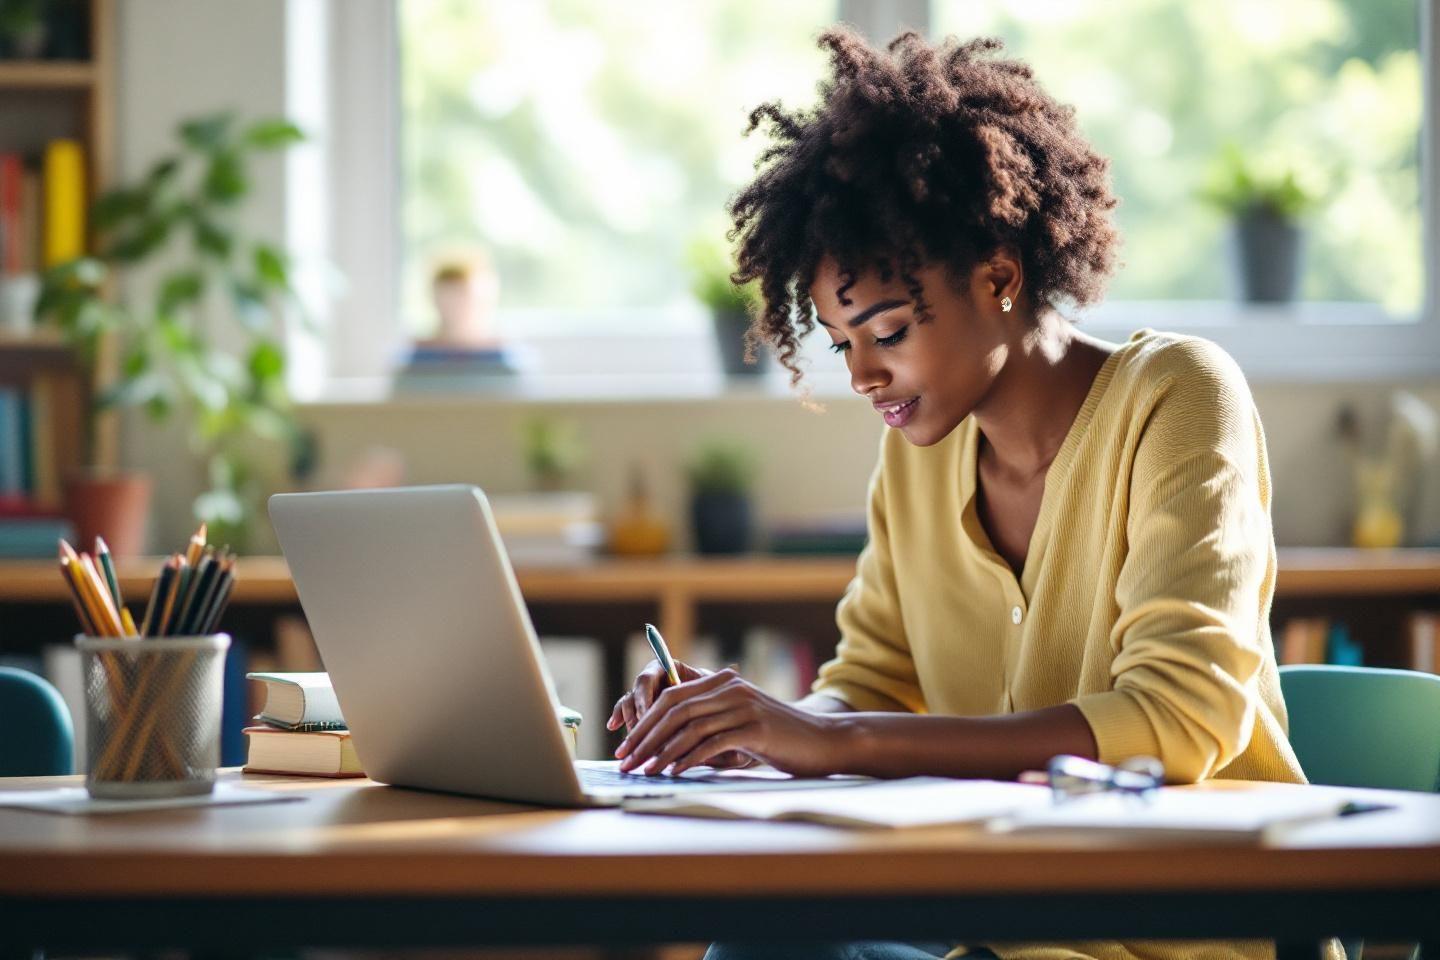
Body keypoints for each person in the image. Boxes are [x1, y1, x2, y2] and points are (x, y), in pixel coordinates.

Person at [607, 27, 1332, 960]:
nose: (864, 373)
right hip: (992, 923)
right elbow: (872, 686)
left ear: (999, 275)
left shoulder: (1180, 396)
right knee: (764, 941)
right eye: (841, 343)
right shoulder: (919, 449)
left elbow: (1176, 719)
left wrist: (841, 744)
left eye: (890, 329)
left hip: (1172, 931)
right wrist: (753, 729)